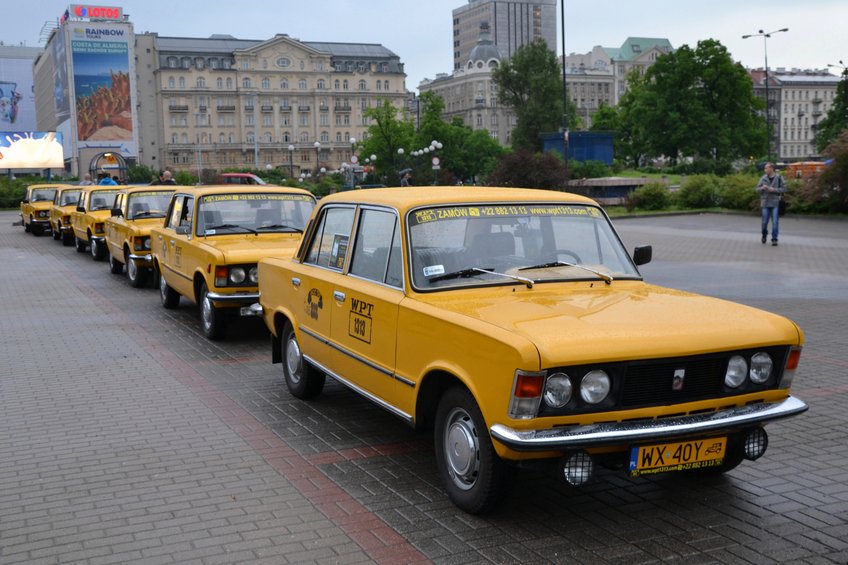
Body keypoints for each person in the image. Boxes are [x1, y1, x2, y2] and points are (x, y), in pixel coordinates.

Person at [756, 162, 786, 246]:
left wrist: (774, 190)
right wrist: (762, 188)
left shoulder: (779, 177)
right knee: (764, 222)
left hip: (775, 202)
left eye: (766, 168)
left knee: (775, 222)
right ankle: (764, 234)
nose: (765, 170)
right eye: (765, 168)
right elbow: (757, 189)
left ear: (771, 168)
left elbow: (784, 189)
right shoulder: (763, 178)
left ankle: (774, 239)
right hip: (765, 202)